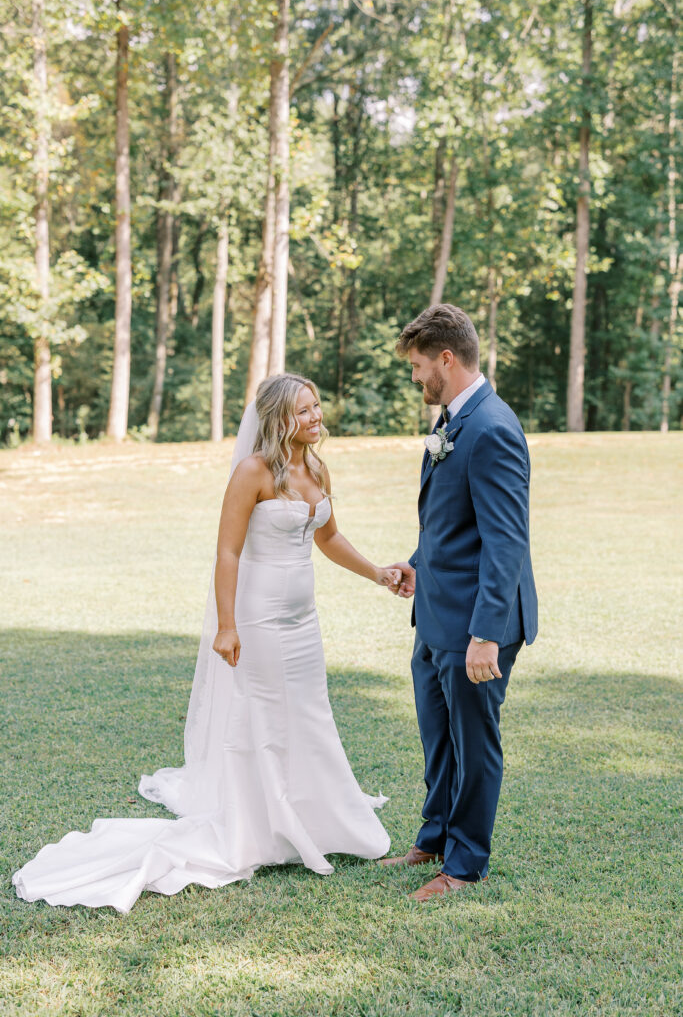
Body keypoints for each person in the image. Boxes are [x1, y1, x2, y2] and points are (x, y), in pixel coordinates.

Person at [13, 373, 397, 913]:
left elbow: (329, 538)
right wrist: (227, 623)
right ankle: (263, 828)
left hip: (303, 621)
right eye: (304, 410)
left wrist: (378, 573)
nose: (316, 417)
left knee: (310, 714)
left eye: (316, 407)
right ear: (277, 418)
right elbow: (228, 553)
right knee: (262, 718)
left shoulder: (315, 467)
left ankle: (321, 816)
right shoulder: (252, 472)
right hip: (258, 616)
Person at [381, 303, 538, 901]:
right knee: (438, 737)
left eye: (419, 366)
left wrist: (486, 634)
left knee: (475, 744)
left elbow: (505, 542)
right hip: (437, 614)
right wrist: (416, 567)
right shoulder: (454, 420)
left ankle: (465, 864)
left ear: (447, 358)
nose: (416, 377)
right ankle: (435, 836)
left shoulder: (493, 427)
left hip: (477, 625)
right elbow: (452, 526)